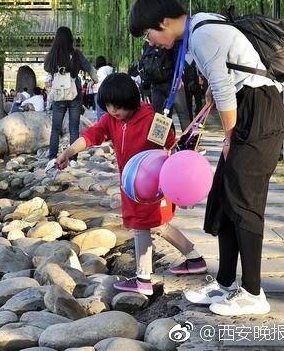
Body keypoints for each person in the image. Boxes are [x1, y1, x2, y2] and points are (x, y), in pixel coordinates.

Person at [129, 0, 284, 315]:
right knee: (223, 200)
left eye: (149, 34)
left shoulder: (203, 33)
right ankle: (227, 284)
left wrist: (229, 136)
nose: (152, 42)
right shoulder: (196, 33)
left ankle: (254, 294)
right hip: (248, 111)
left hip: (259, 112)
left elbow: (223, 86)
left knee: (244, 203)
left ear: (164, 22)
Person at [55, 73, 207, 295]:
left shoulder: (154, 121)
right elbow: (91, 136)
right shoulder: (111, 120)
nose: (113, 111)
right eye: (108, 106)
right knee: (157, 224)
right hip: (131, 184)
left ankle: (143, 279)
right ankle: (194, 259)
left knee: (141, 225)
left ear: (131, 101)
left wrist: (181, 191)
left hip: (153, 185)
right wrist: (68, 152)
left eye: (118, 106)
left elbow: (173, 154)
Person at [44, 26, 98, 165]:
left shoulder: (53, 55)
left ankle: (52, 158)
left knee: (56, 128)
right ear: (70, 39)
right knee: (73, 127)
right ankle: (73, 160)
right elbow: (89, 68)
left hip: (58, 95)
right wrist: (95, 80)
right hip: (74, 94)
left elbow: (46, 68)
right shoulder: (76, 54)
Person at [93, 56, 114, 121]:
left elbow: (102, 80)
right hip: (109, 92)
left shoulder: (101, 70)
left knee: (100, 113)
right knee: (108, 111)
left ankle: (102, 128)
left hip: (99, 92)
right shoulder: (110, 69)